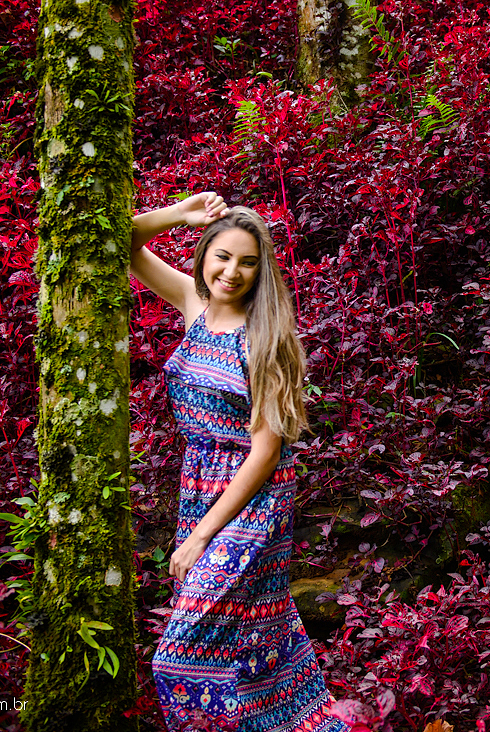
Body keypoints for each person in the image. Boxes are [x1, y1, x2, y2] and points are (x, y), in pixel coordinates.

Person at [131, 193, 348, 732]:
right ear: (204, 254)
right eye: (223, 256)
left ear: (261, 270)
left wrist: (201, 536)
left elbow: (266, 451)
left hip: (254, 494)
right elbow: (123, 243)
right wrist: (179, 214)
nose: (232, 272)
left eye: (248, 262)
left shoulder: (266, 337)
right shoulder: (194, 303)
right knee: (249, 630)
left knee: (179, 655)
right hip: (200, 483)